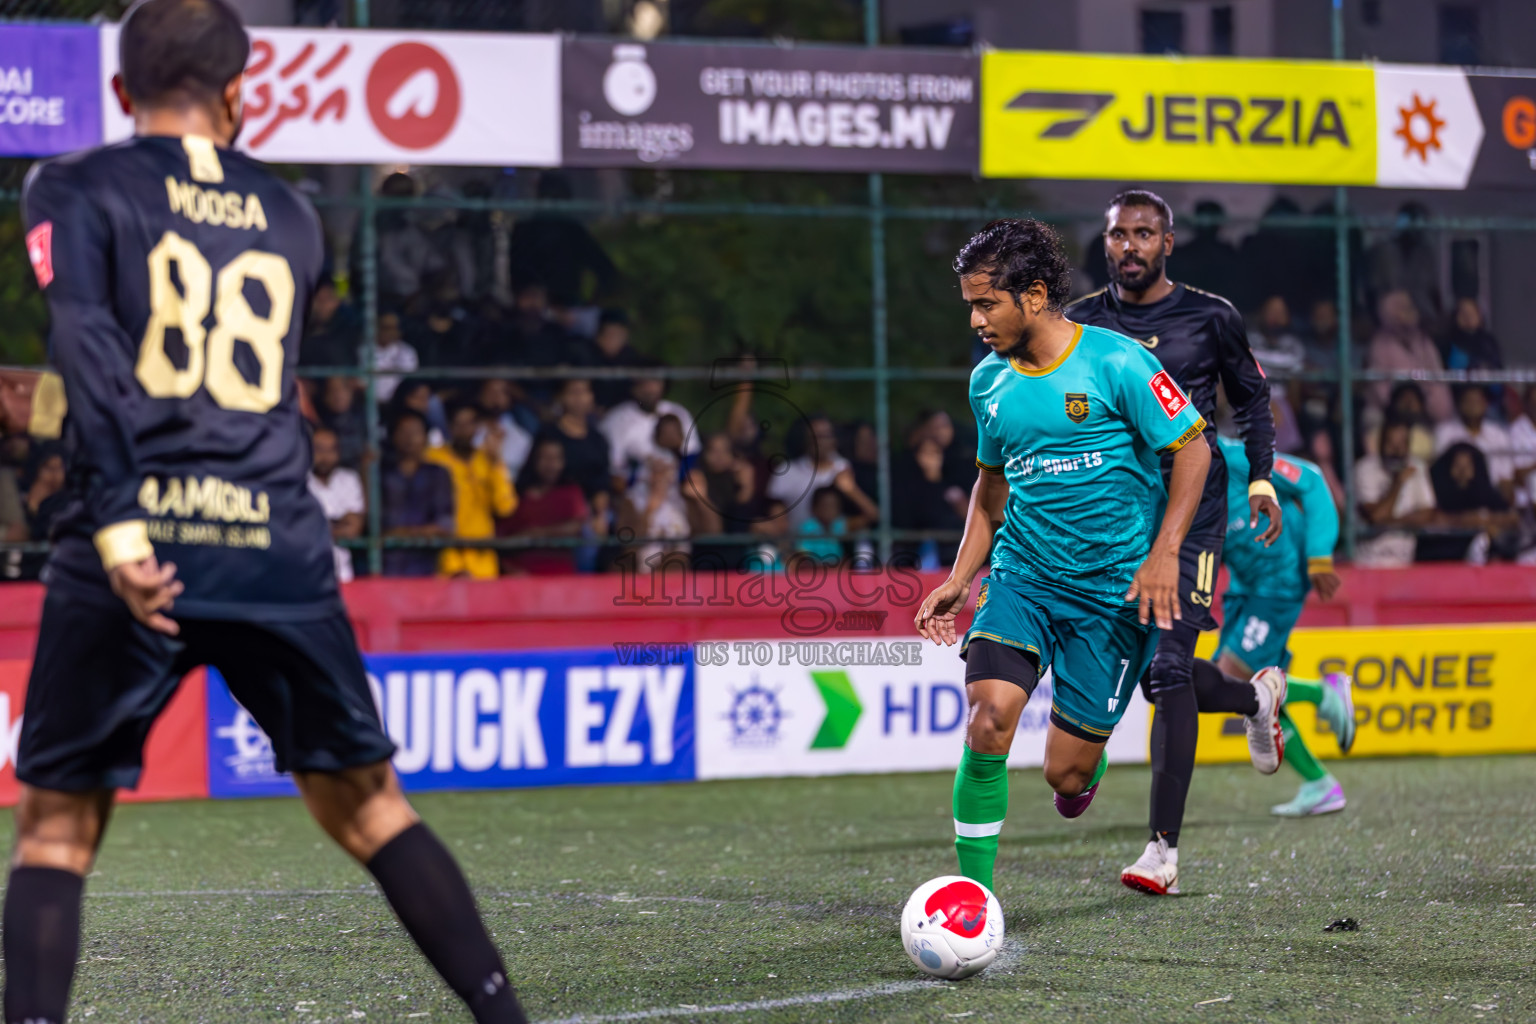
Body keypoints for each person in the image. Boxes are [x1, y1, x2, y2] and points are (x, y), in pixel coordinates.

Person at [9, 4, 529, 1022]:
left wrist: (118, 532)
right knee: (373, 808)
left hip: (137, 538)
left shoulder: (71, 185)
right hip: (275, 544)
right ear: (241, 91)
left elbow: (93, 361)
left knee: (57, 831)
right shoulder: (293, 215)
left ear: (122, 93)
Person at [915, 218, 1213, 897]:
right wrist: (961, 579)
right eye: (970, 303)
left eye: (985, 302)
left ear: (1034, 294)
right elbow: (990, 490)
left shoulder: (1118, 362)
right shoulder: (987, 383)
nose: (975, 319)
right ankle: (972, 898)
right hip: (1023, 577)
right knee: (988, 719)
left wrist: (1166, 553)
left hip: (1112, 596)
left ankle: (1083, 769)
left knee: (1065, 776)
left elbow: (1193, 449)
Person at [1065, 189, 1282, 896]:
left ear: (1168, 243)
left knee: (1166, 673)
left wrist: (1262, 479)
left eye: (1144, 234)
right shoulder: (1082, 322)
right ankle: (1254, 701)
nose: (1129, 246)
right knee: (1162, 673)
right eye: (1118, 235)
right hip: (1112, 517)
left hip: (1194, 514)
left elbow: (1251, 397)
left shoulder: (1210, 316)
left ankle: (1162, 849)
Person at [1205, 437, 1355, 817]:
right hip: (1245, 588)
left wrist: (1319, 555)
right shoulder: (1171, 476)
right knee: (1252, 692)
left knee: (1235, 682)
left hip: (1280, 583)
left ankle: (1325, 695)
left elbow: (1312, 481)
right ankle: (1319, 782)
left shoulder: (1238, 459)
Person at [427, 401, 516, 579]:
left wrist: (496, 462)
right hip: (447, 554)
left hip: (482, 555)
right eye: (458, 424)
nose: (464, 430)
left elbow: (505, 507)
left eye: (469, 423)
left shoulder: (489, 458)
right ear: (450, 427)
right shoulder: (434, 457)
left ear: (477, 427)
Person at [767, 416, 879, 533]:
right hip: (795, 546)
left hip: (838, 547)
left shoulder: (848, 469)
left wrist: (850, 490)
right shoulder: (786, 470)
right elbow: (775, 514)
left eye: (824, 436)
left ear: (835, 439)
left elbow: (873, 514)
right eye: (814, 436)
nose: (818, 441)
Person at [382, 411, 457, 577]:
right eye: (404, 432)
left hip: (426, 568)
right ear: (393, 436)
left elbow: (445, 525)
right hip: (388, 568)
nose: (409, 438)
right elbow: (376, 528)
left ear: (425, 437)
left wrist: (401, 534)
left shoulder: (438, 474)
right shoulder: (381, 474)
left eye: (415, 432)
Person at [500, 437, 588, 576]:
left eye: (556, 458)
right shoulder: (517, 496)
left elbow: (575, 528)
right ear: (534, 460)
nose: (550, 464)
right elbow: (502, 539)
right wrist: (509, 570)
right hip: (520, 577)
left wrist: (535, 534)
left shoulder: (571, 492)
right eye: (545, 458)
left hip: (560, 576)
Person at [1355, 419, 1436, 568]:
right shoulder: (1365, 468)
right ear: (1380, 444)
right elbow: (1377, 516)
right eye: (1391, 444)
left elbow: (1428, 514)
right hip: (1369, 563)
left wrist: (1390, 522)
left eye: (1402, 444)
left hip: (1405, 563)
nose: (1397, 451)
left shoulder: (1417, 467)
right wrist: (1398, 483)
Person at [601, 372, 700, 491]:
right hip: (635, 492)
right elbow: (615, 471)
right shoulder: (616, 418)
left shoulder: (677, 412)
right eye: (645, 383)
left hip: (676, 491)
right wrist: (644, 472)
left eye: (655, 382)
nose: (651, 389)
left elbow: (693, 456)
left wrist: (674, 474)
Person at [1367, 290, 1453, 423]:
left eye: (1410, 307)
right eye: (1403, 309)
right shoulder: (1380, 345)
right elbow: (1380, 386)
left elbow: (1437, 378)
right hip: (1391, 411)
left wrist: (1432, 406)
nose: (1410, 312)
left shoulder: (1424, 342)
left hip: (1424, 408)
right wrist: (1399, 405)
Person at [1428, 443, 1518, 562]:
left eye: (1467, 466)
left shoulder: (1485, 492)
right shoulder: (1438, 492)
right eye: (1458, 465)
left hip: (1484, 554)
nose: (1462, 471)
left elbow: (1512, 518)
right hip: (1447, 553)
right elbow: (1436, 519)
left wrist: (1486, 519)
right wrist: (1465, 520)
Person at [1434, 386, 1515, 505]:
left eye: (1477, 401)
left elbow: (1506, 479)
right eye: (1468, 401)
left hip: (1490, 498)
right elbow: (1439, 473)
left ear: (1486, 404)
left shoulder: (1499, 435)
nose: (1472, 405)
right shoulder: (1444, 432)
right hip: (1453, 497)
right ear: (1459, 404)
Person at [307, 427, 364, 584]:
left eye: (331, 450)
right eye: (319, 449)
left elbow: (354, 528)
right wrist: (338, 523)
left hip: (343, 573)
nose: (325, 456)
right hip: (307, 573)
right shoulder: (299, 481)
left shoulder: (349, 479)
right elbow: (302, 530)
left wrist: (320, 525)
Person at [586, 308, 645, 412]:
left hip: (621, 414)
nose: (615, 340)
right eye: (611, 334)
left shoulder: (631, 357)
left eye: (620, 335)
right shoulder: (586, 354)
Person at [475, 378, 534, 481]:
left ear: (509, 398)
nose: (495, 398)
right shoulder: (467, 430)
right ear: (481, 395)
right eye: (491, 392)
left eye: (502, 393)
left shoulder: (521, 438)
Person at [1437, 298, 1503, 373]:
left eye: (1472, 313)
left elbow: (1497, 366)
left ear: (1479, 315)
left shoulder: (1489, 342)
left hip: (1488, 382)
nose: (1468, 317)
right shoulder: (1448, 342)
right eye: (1464, 313)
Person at [317, 376, 367, 469]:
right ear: (324, 395)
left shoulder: (365, 417)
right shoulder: (317, 422)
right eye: (332, 390)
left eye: (344, 388)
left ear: (352, 392)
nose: (338, 395)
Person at [371, 310, 419, 403]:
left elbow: (409, 382)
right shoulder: (363, 350)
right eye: (385, 327)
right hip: (368, 402)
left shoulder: (407, 351)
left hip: (399, 404)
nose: (389, 331)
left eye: (393, 328)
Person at [795, 486, 847, 566]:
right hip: (813, 574)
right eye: (826, 506)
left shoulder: (838, 525)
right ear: (815, 507)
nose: (830, 510)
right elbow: (803, 559)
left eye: (833, 506)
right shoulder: (807, 527)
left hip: (835, 573)